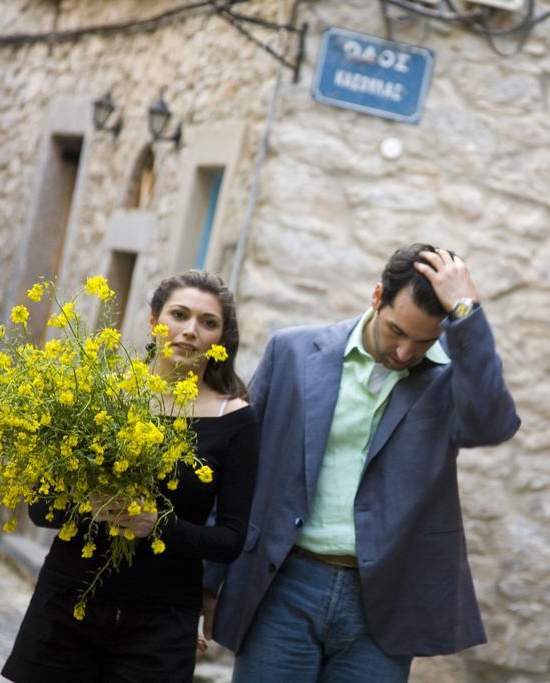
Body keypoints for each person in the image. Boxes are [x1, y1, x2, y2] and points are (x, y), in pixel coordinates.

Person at [202, 244, 520, 682]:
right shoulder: (292, 352)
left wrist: (468, 312)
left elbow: (494, 425)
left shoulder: (449, 380)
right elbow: (239, 473)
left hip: (385, 602)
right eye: (396, 331)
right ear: (376, 297)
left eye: (424, 340)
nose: (406, 352)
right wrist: (208, 578)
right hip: (282, 584)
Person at [2, 269, 258, 683]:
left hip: (161, 623)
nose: (190, 331)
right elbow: (40, 507)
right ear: (154, 320)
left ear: (220, 340)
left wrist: (157, 526)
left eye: (208, 323)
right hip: (69, 604)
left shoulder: (236, 419)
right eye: (179, 314)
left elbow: (231, 538)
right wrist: (92, 505)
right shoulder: (99, 396)